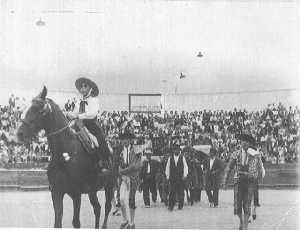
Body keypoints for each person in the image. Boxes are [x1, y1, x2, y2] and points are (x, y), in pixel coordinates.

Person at [67, 77, 111, 173]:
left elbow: (92, 113)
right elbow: (74, 113)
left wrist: (79, 116)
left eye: (85, 86)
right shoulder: (79, 102)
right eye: (81, 87)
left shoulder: (94, 100)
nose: (83, 89)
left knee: (99, 139)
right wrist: (68, 114)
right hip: (78, 124)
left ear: (90, 88)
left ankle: (104, 162)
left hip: (90, 124)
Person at [222, 133, 265, 230]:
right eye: (243, 141)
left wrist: (252, 175)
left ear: (249, 143)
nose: (244, 143)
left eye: (246, 141)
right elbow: (228, 168)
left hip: (249, 182)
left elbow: (260, 170)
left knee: (247, 205)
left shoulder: (255, 155)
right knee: (237, 206)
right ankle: (241, 221)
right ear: (240, 142)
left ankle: (245, 227)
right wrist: (225, 181)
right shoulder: (236, 154)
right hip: (238, 182)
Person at [118, 133, 143, 229]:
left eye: (126, 139)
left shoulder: (136, 149)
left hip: (133, 178)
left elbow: (135, 166)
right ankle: (125, 220)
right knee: (121, 200)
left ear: (130, 140)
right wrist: (122, 174)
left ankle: (132, 223)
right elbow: (119, 164)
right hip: (125, 178)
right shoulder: (121, 151)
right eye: (123, 139)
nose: (124, 141)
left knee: (131, 200)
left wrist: (122, 172)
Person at [165, 143, 189, 211]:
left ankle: (180, 205)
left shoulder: (182, 157)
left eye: (177, 150)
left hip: (180, 178)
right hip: (172, 178)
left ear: (179, 151)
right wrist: (167, 176)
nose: (176, 151)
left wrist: (185, 175)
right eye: (175, 150)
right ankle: (171, 206)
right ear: (173, 151)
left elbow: (185, 167)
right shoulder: (170, 158)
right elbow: (167, 168)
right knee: (172, 192)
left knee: (181, 192)